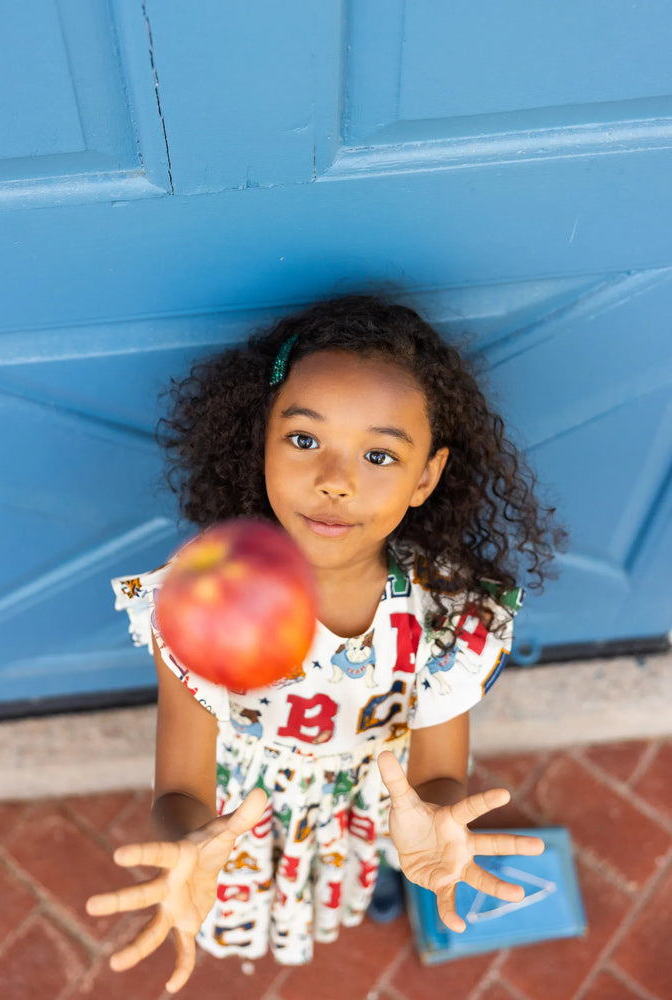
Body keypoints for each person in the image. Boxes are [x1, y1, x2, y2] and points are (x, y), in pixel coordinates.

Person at [86, 294, 563, 993]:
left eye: (378, 454)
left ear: (425, 475)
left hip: (371, 804)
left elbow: (433, 773)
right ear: (262, 440)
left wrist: (428, 822)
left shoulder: (447, 614)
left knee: (359, 865)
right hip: (245, 812)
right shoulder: (204, 597)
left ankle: (378, 878)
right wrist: (188, 839)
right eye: (304, 440)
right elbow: (182, 784)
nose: (335, 481)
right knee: (269, 891)